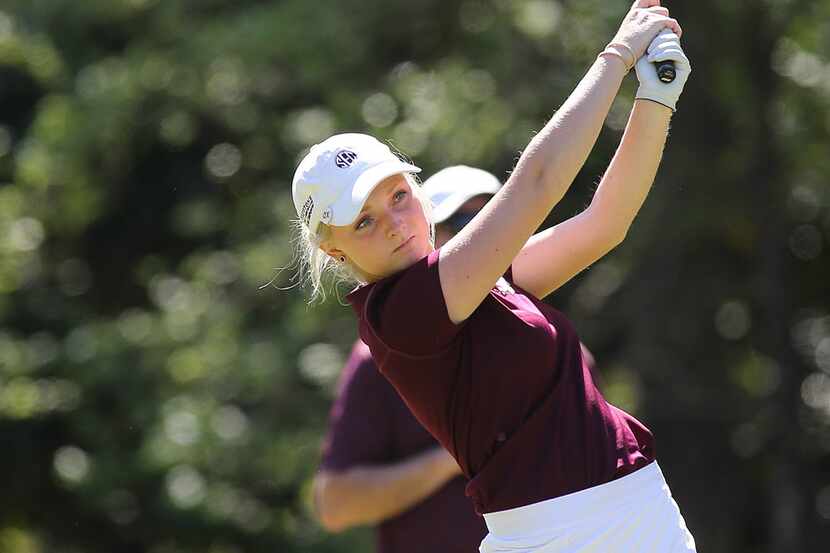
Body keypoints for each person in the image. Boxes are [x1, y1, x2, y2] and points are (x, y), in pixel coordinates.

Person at [291, 1, 694, 551]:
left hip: (636, 511)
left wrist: (655, 99)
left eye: (399, 196)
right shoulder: (402, 313)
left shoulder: (465, 281)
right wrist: (617, 55)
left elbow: (605, 224)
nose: (394, 224)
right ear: (335, 254)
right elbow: (538, 182)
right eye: (364, 221)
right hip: (568, 535)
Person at [312, 166, 501, 553]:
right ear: (430, 228)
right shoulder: (377, 361)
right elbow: (334, 504)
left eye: (490, 216)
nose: (477, 234)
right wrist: (453, 455)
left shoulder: (556, 342)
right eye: (460, 220)